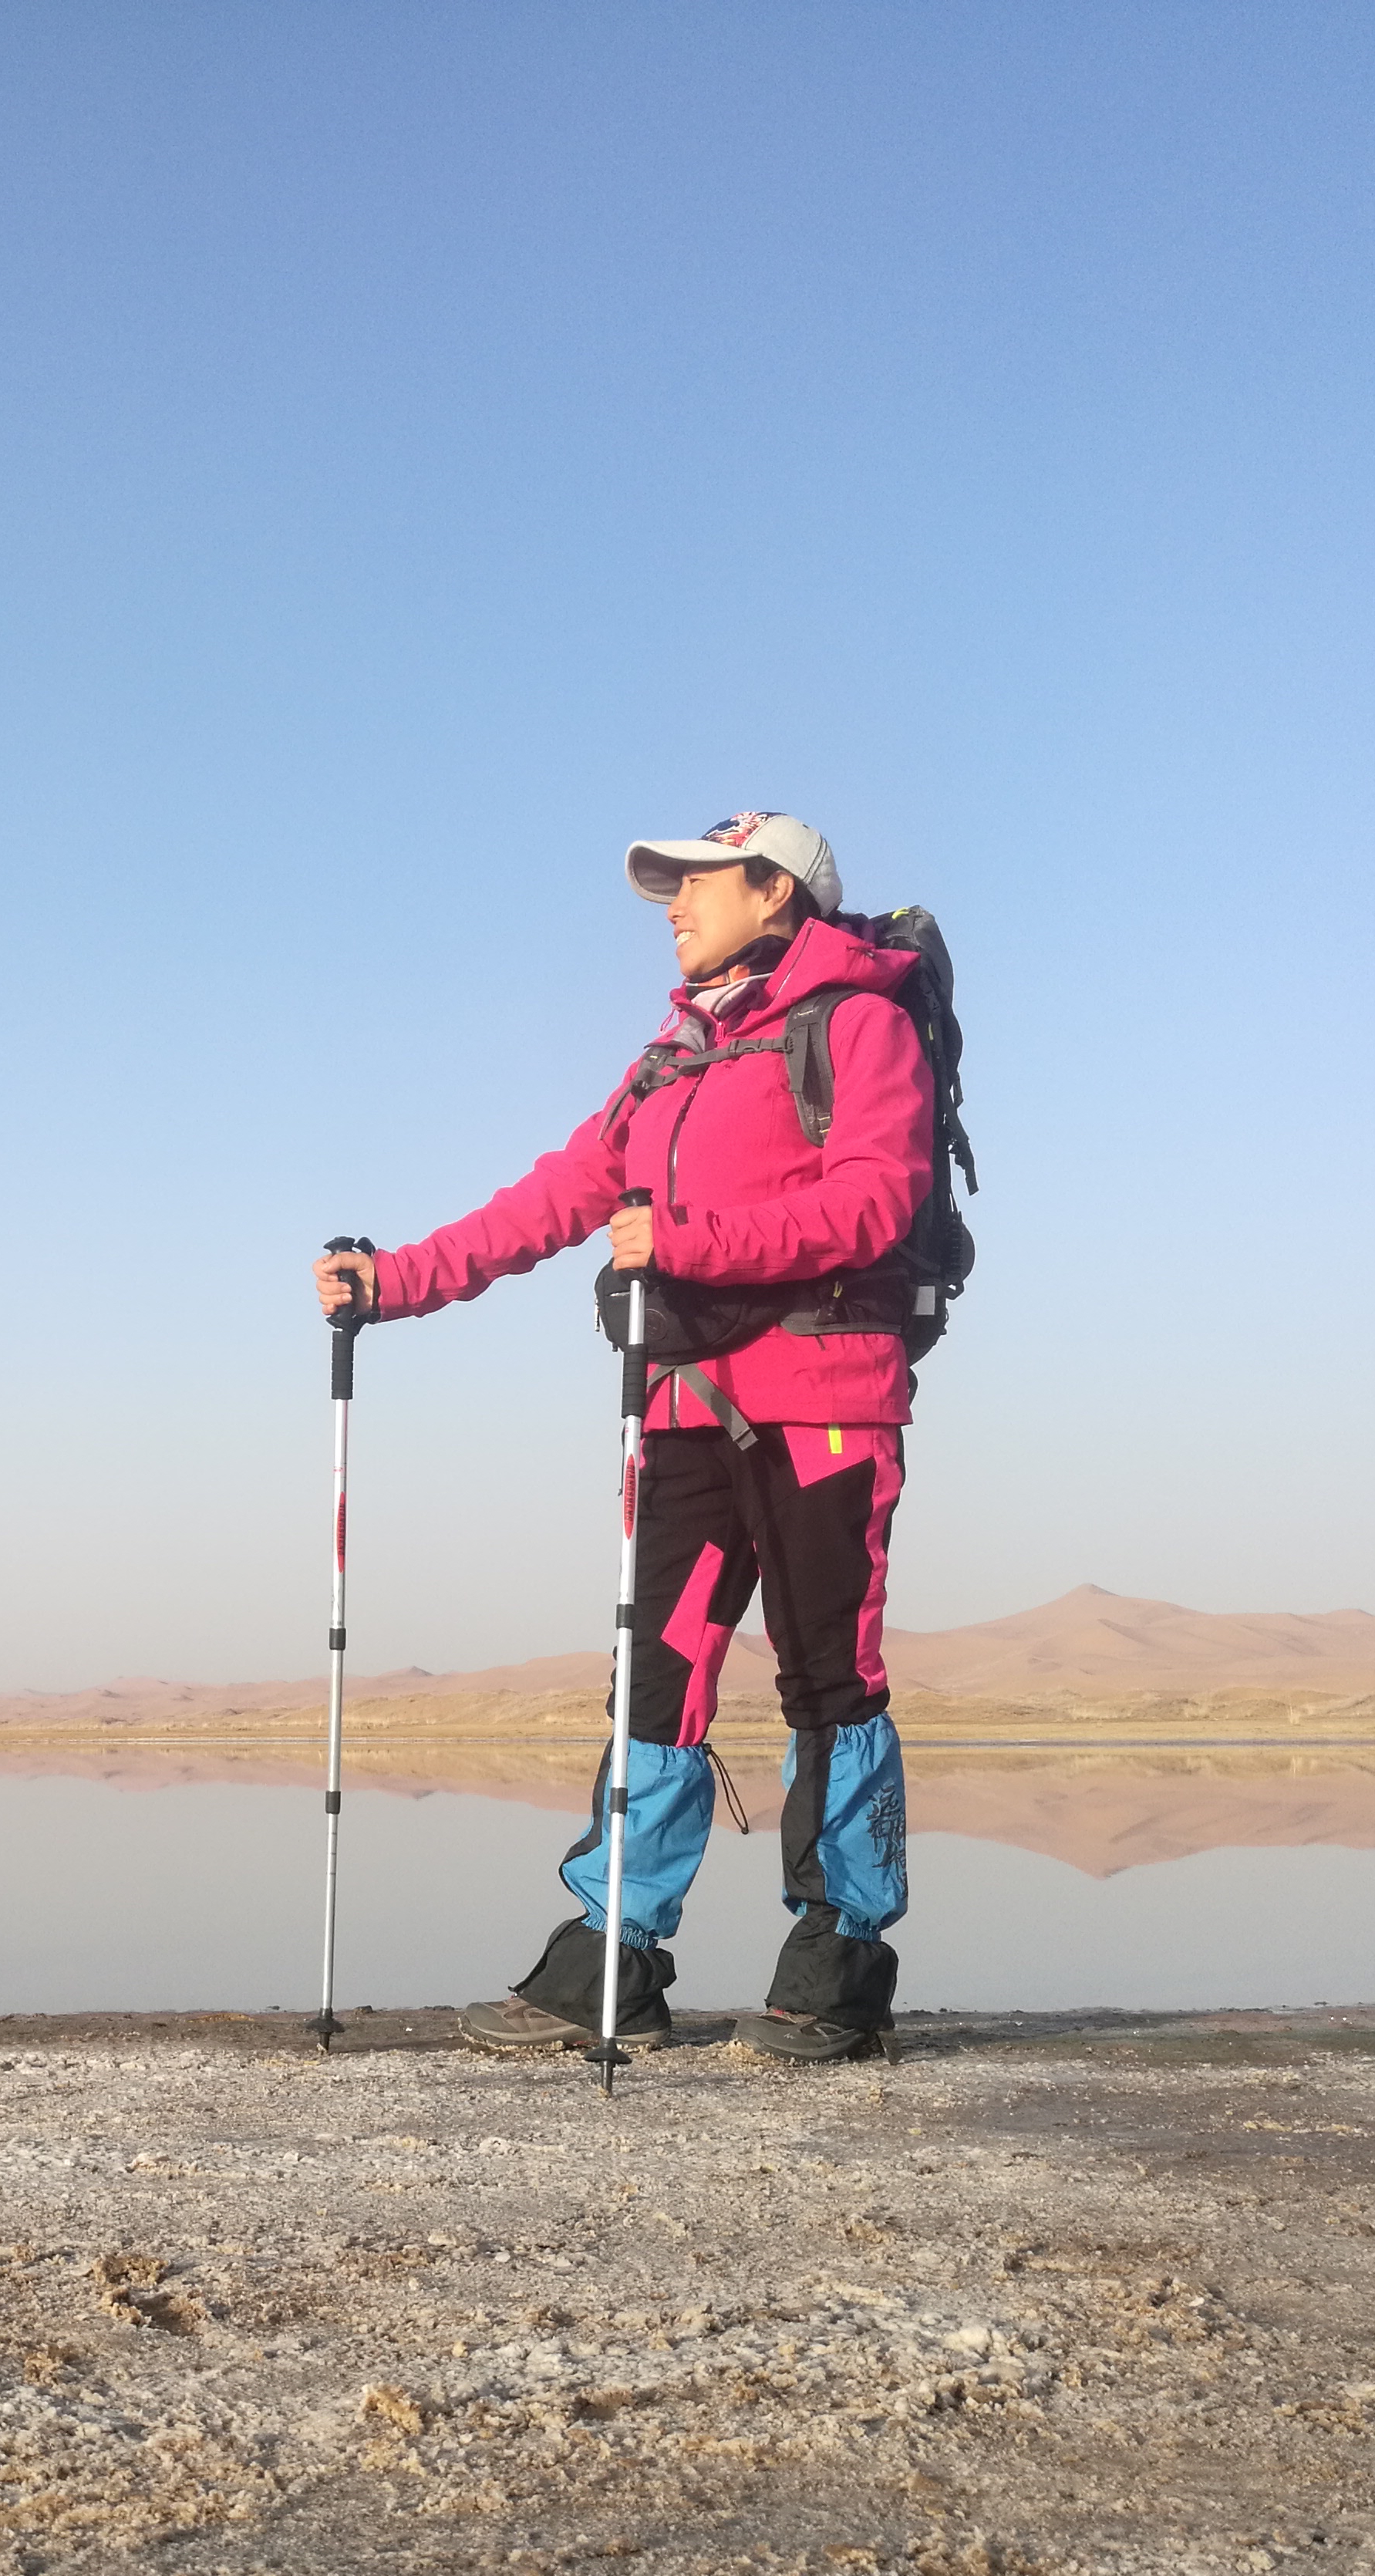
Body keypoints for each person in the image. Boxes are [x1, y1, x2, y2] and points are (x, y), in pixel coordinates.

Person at [309, 811, 929, 2065]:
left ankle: (840, 1963)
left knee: (830, 1679)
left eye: (697, 883)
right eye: (669, 888)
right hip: (686, 1407)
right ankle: (614, 1957)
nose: (672, 906)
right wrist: (395, 1282)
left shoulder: (863, 1024)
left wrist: (692, 1244)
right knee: (657, 1678)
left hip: (825, 1406)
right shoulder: (668, 1062)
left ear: (776, 892)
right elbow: (553, 1199)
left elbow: (882, 1196)